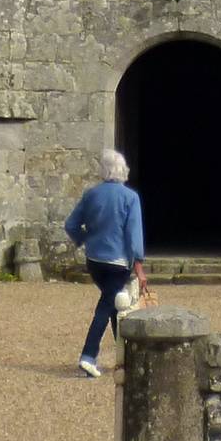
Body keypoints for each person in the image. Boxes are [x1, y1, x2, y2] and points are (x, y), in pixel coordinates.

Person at [63, 148, 146, 378]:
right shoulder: (130, 198)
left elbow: (71, 225)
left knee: (113, 305)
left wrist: (84, 239)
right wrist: (139, 266)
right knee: (106, 306)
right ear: (123, 170)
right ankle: (88, 356)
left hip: (95, 262)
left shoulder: (91, 194)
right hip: (118, 263)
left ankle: (128, 356)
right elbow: (133, 234)